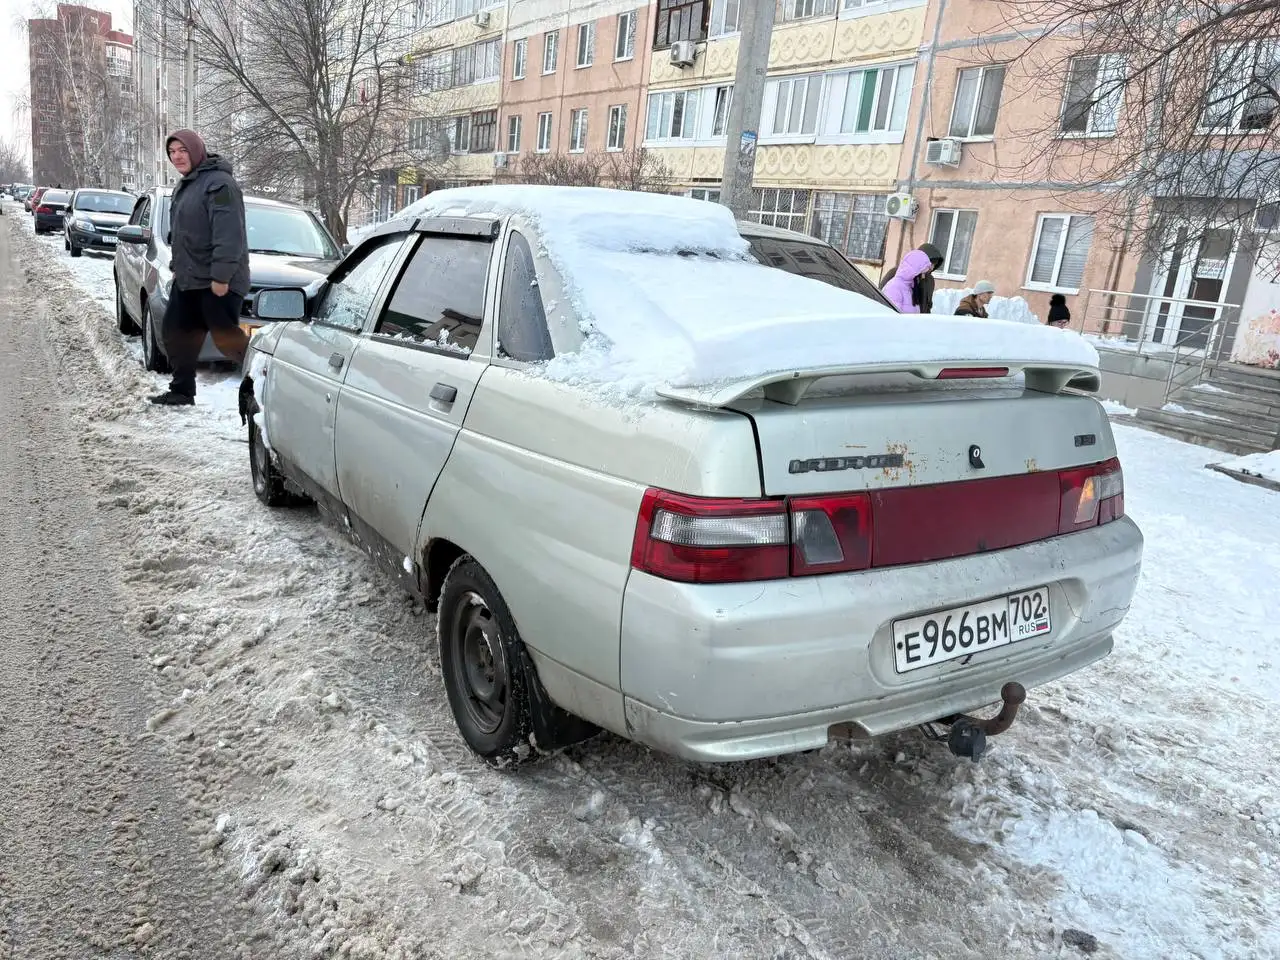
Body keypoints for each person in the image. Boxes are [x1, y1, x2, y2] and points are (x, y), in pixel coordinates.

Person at [148, 129, 251, 406]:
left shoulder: (220, 185)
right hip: (189, 278)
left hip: (216, 280)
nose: (177, 157)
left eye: (183, 150)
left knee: (225, 339)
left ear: (196, 150)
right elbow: (184, 233)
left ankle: (266, 374)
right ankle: (182, 391)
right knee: (175, 331)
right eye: (172, 152)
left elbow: (229, 233)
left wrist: (221, 276)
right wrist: (177, 265)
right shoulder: (187, 185)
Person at [880, 242, 944, 313]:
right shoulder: (895, 274)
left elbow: (928, 305)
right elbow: (881, 296)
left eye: (934, 264)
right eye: (930, 263)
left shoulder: (930, 280)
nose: (932, 267)